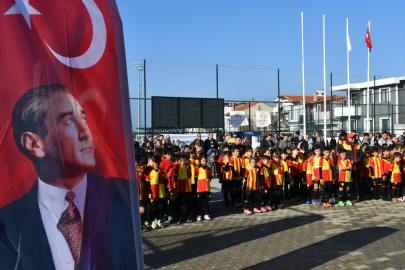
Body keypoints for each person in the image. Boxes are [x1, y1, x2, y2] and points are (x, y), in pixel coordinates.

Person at [0, 84, 137, 269]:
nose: (86, 133)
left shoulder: (123, 195)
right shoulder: (8, 224)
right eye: (68, 122)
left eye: (83, 118)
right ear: (34, 143)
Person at [337, 133, 363, 201]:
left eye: (354, 137)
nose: (354, 139)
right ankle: (345, 196)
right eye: (352, 137)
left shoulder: (358, 145)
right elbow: (341, 156)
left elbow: (361, 154)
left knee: (357, 183)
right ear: (348, 138)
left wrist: (357, 160)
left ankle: (358, 195)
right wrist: (349, 161)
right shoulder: (344, 145)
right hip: (347, 167)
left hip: (356, 167)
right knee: (346, 183)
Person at [175, 154, 193, 223]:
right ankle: (179, 217)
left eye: (187, 159)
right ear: (181, 159)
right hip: (180, 189)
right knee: (179, 204)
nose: (187, 161)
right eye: (185, 159)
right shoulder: (178, 167)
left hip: (188, 188)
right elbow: (175, 178)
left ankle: (188, 216)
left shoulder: (189, 167)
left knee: (188, 203)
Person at [195, 154, 212, 221]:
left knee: (207, 202)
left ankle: (206, 214)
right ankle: (198, 215)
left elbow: (210, 177)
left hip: (207, 189)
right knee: (199, 202)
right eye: (203, 161)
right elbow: (196, 179)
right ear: (200, 161)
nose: (204, 162)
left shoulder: (209, 169)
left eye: (205, 161)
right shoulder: (198, 169)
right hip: (200, 189)